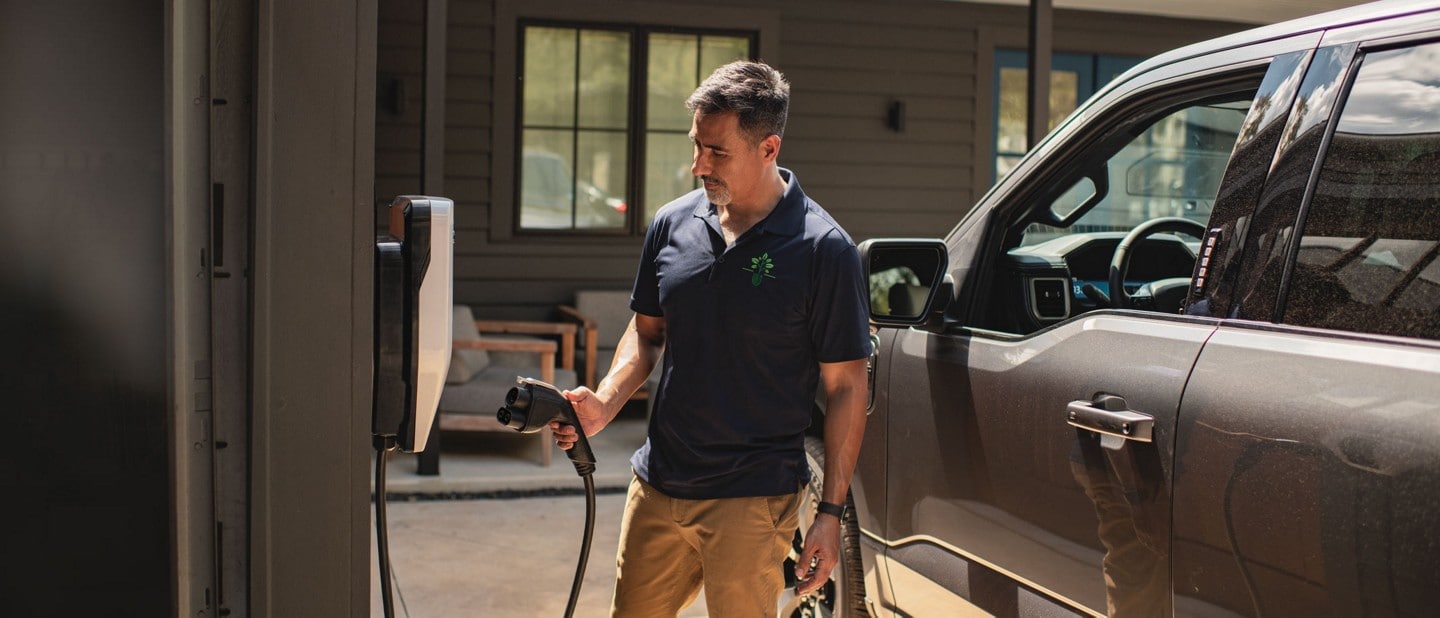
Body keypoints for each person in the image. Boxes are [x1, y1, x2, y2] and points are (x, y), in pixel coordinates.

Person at [551, 60, 872, 615]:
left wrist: (830, 514)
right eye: (696, 144)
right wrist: (606, 400)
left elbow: (847, 387)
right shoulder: (671, 224)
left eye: (716, 151)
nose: (698, 163)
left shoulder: (824, 250)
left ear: (769, 148)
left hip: (752, 500)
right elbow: (648, 332)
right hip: (658, 485)